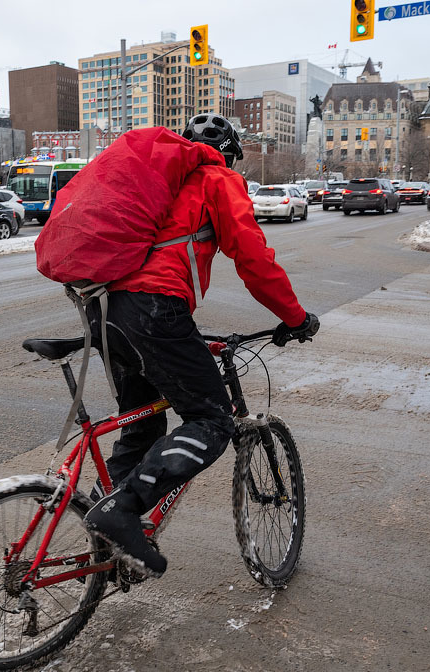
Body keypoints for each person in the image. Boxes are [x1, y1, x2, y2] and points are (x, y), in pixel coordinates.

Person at [82, 113, 318, 578]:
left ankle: (104, 533)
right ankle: (121, 512)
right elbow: (252, 257)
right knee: (213, 418)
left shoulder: (155, 182)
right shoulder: (216, 178)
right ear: (228, 155)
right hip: (153, 310)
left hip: (104, 310)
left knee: (142, 428)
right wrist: (294, 317)